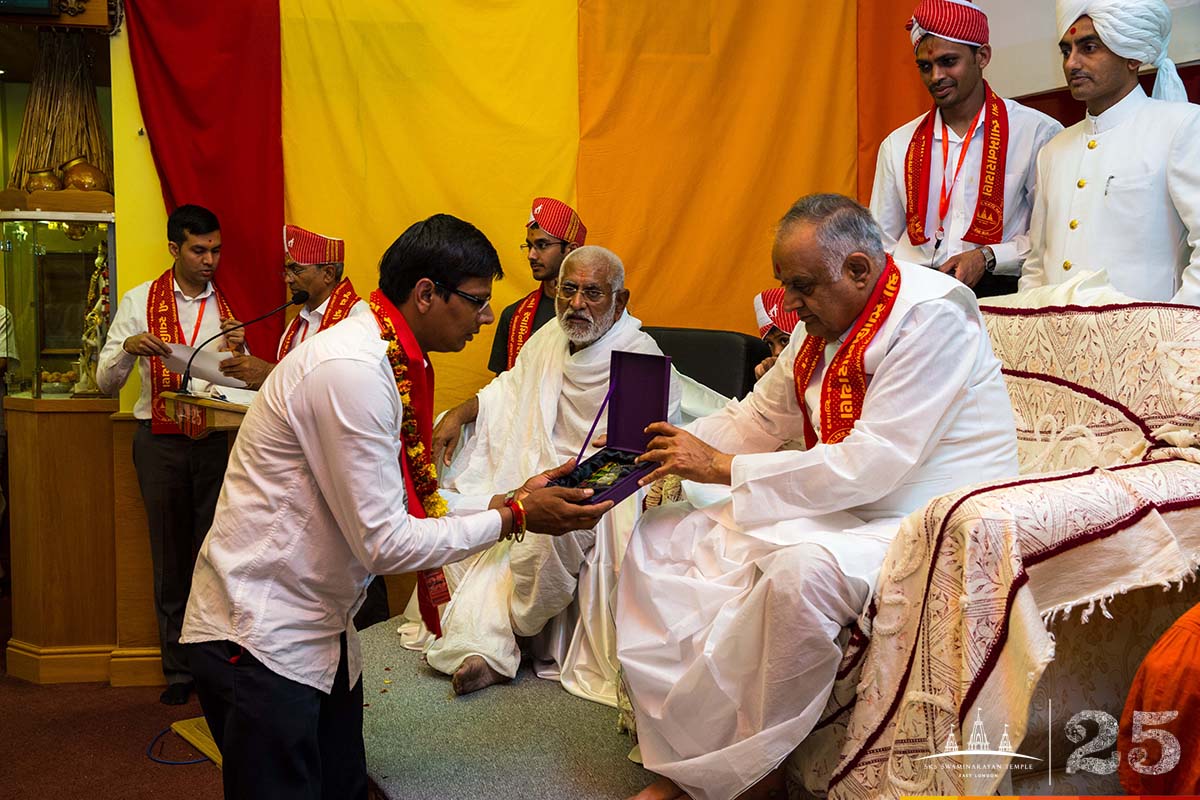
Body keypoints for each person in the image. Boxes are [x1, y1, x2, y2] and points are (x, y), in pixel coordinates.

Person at [180, 213, 612, 800]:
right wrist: (516, 517)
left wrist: (514, 498)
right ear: (427, 294)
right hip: (260, 632)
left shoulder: (389, 356)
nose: (488, 317)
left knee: (345, 786)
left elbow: (412, 503)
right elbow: (387, 544)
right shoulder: (353, 371)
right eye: (478, 300)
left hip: (320, 626)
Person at [615, 194, 1019, 800]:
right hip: (842, 504)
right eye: (784, 284)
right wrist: (658, 456)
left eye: (800, 285)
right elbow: (756, 418)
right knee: (664, 533)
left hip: (924, 516)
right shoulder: (820, 325)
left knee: (797, 577)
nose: (790, 303)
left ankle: (754, 775)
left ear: (859, 269)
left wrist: (722, 469)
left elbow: (873, 462)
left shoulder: (931, 318)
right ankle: (691, 756)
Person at [406, 246, 680, 701]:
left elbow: (635, 451)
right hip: (530, 464)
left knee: (546, 530)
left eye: (592, 293)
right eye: (568, 289)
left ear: (621, 299)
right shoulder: (549, 337)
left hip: (596, 478)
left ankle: (499, 640)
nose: (577, 304)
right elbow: (507, 390)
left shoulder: (640, 357)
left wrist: (561, 487)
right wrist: (460, 412)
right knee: (457, 501)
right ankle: (494, 645)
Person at [96, 204, 246, 705]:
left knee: (217, 553)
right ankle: (178, 669)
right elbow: (103, 382)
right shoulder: (139, 301)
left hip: (216, 443)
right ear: (174, 249)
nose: (210, 260)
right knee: (170, 555)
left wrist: (242, 356)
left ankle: (215, 662)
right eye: (199, 250)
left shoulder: (228, 308)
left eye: (216, 250)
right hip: (157, 442)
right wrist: (127, 350)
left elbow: (241, 383)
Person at [870, 0, 1061, 298]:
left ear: (982, 56)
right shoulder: (898, 144)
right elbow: (879, 245)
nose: (936, 76)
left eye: (948, 62)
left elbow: (1051, 236)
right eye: (925, 66)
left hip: (1003, 292)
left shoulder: (1036, 132)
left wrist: (986, 257)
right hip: (916, 299)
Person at [1020, 0, 1200, 303]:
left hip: (1147, 343)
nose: (1071, 64)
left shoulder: (1181, 126)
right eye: (1066, 51)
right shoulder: (1053, 150)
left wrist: (1174, 331)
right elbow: (1037, 264)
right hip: (1057, 341)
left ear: (1132, 56)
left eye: (1088, 48)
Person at [218, 224, 369, 389]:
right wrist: (244, 372)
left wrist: (268, 372)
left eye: (296, 270)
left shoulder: (358, 317)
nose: (287, 279)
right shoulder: (298, 323)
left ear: (328, 274)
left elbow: (346, 385)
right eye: (286, 271)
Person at [486, 197, 586, 374]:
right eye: (530, 245)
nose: (531, 255)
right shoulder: (513, 317)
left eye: (542, 245)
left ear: (571, 249)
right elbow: (501, 391)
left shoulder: (598, 313)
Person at [751, 286, 800, 380]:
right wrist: (766, 384)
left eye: (784, 340)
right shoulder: (771, 370)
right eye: (770, 344)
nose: (776, 352)